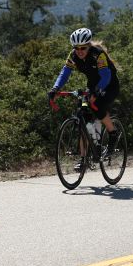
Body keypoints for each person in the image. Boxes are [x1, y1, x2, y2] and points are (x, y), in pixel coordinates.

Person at [47, 27, 121, 166]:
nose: (79, 51)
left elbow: (106, 75)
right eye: (76, 48)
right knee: (83, 119)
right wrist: (55, 88)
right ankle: (84, 159)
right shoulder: (73, 55)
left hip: (109, 85)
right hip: (93, 86)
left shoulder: (98, 54)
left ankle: (112, 133)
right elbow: (65, 72)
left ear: (88, 46)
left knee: (98, 107)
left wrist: (97, 91)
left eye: (83, 48)